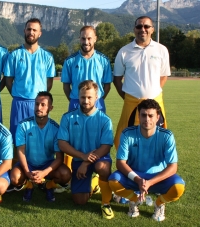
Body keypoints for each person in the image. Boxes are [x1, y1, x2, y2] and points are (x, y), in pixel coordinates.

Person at [109, 99, 185, 222]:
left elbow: (173, 167)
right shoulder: (127, 134)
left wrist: (150, 182)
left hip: (158, 177)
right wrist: (138, 180)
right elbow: (120, 162)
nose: (147, 119)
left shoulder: (166, 136)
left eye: (151, 115)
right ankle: (134, 200)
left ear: (157, 117)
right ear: (138, 116)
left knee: (179, 187)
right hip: (135, 176)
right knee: (113, 180)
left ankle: (159, 203)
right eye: (143, 115)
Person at [58, 80, 115, 219]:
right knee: (80, 201)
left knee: (102, 167)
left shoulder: (105, 120)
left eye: (89, 97)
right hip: (79, 160)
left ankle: (106, 202)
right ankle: (94, 183)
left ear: (97, 97)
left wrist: (86, 162)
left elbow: (106, 146)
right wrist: (82, 156)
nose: (86, 100)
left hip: (98, 159)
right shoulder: (68, 117)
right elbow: (62, 143)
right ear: (78, 96)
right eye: (83, 97)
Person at [113, 16, 170, 149]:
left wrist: (151, 94)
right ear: (134, 29)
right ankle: (127, 168)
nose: (142, 29)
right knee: (126, 140)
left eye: (146, 26)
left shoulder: (161, 50)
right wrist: (127, 97)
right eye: (139, 26)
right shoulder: (124, 51)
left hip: (155, 103)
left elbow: (163, 76)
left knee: (157, 139)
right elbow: (117, 79)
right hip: (131, 103)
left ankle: (155, 168)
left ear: (152, 29)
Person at [10, 91, 71, 202]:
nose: (39, 107)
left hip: (47, 164)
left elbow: (59, 158)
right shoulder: (23, 125)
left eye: (43, 105)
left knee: (65, 174)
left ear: (50, 108)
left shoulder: (56, 129)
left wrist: (44, 172)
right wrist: (28, 172)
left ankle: (48, 186)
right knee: (14, 178)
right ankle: (29, 185)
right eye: (37, 104)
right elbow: (21, 152)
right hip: (28, 164)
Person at [4, 18, 55, 142]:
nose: (31, 32)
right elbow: (8, 80)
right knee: (17, 139)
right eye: (29, 29)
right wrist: (17, 95)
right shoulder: (14, 55)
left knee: (37, 139)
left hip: (38, 104)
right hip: (19, 103)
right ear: (24, 31)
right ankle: (17, 162)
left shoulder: (47, 56)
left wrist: (41, 99)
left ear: (39, 33)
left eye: (34, 30)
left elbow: (49, 82)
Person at [62, 26, 112, 113]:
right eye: (83, 38)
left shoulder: (104, 61)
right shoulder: (69, 61)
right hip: (76, 102)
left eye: (89, 38)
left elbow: (107, 85)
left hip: (97, 103)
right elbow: (66, 86)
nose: (86, 42)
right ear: (79, 39)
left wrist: (98, 99)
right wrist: (73, 100)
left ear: (95, 39)